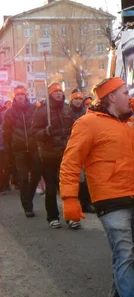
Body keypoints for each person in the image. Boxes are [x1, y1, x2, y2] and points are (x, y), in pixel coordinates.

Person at [59, 77, 134, 297]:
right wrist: (70, 198)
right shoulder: (88, 124)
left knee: (131, 251)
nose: (131, 96)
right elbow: (71, 161)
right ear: (112, 97)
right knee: (124, 255)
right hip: (110, 201)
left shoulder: (133, 122)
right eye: (126, 92)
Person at [31, 82, 75, 229]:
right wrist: (45, 132)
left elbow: (74, 128)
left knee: (68, 186)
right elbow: (34, 133)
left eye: (60, 92)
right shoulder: (42, 111)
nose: (58, 94)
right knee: (50, 187)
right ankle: (52, 216)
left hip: (66, 153)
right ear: (50, 94)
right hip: (48, 154)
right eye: (55, 92)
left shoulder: (68, 109)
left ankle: (71, 215)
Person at [2, 86, 41, 217]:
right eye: (17, 94)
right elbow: (6, 134)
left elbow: (40, 124)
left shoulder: (34, 109)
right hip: (18, 150)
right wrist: (8, 152)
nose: (20, 96)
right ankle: (27, 207)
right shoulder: (9, 113)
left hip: (33, 147)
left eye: (22, 94)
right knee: (23, 178)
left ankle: (29, 196)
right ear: (14, 96)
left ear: (25, 96)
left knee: (36, 175)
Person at [69, 88, 93, 213]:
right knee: (75, 177)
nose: (78, 101)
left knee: (85, 178)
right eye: (76, 99)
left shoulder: (86, 112)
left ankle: (86, 203)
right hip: (72, 147)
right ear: (71, 100)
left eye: (80, 99)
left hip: (85, 147)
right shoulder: (67, 112)